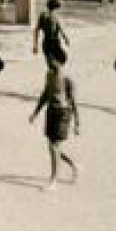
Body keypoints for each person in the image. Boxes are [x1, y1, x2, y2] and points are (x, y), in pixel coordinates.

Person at [29, 58, 80, 191]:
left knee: (54, 147)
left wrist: (77, 123)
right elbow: (45, 94)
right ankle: (73, 164)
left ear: (61, 61)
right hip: (51, 111)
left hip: (62, 113)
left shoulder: (68, 78)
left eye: (53, 59)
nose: (50, 62)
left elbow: (74, 102)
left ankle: (53, 181)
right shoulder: (49, 74)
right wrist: (35, 112)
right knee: (53, 147)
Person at [33, 0, 69, 66]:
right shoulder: (46, 16)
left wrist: (35, 45)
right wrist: (35, 45)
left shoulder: (51, 16)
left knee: (56, 62)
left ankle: (55, 74)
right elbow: (37, 30)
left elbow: (36, 30)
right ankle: (54, 74)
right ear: (55, 8)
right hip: (51, 43)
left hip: (52, 43)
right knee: (54, 62)